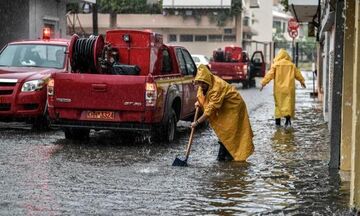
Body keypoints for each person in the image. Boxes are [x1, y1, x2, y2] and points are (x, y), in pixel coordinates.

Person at [190, 64, 254, 161]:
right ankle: (224, 156)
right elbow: (205, 96)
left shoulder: (217, 88)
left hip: (234, 107)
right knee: (224, 130)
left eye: (203, 83)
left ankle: (227, 156)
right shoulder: (204, 83)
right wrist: (200, 102)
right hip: (224, 107)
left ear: (207, 80)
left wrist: (197, 122)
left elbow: (210, 111)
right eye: (199, 83)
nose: (201, 86)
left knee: (229, 131)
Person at [260, 49, 306, 127]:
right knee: (288, 104)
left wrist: (263, 83)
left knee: (278, 105)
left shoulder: (276, 65)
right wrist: (302, 81)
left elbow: (269, 75)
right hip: (289, 89)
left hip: (278, 90)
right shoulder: (292, 65)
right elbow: (298, 74)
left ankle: (277, 123)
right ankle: (287, 121)